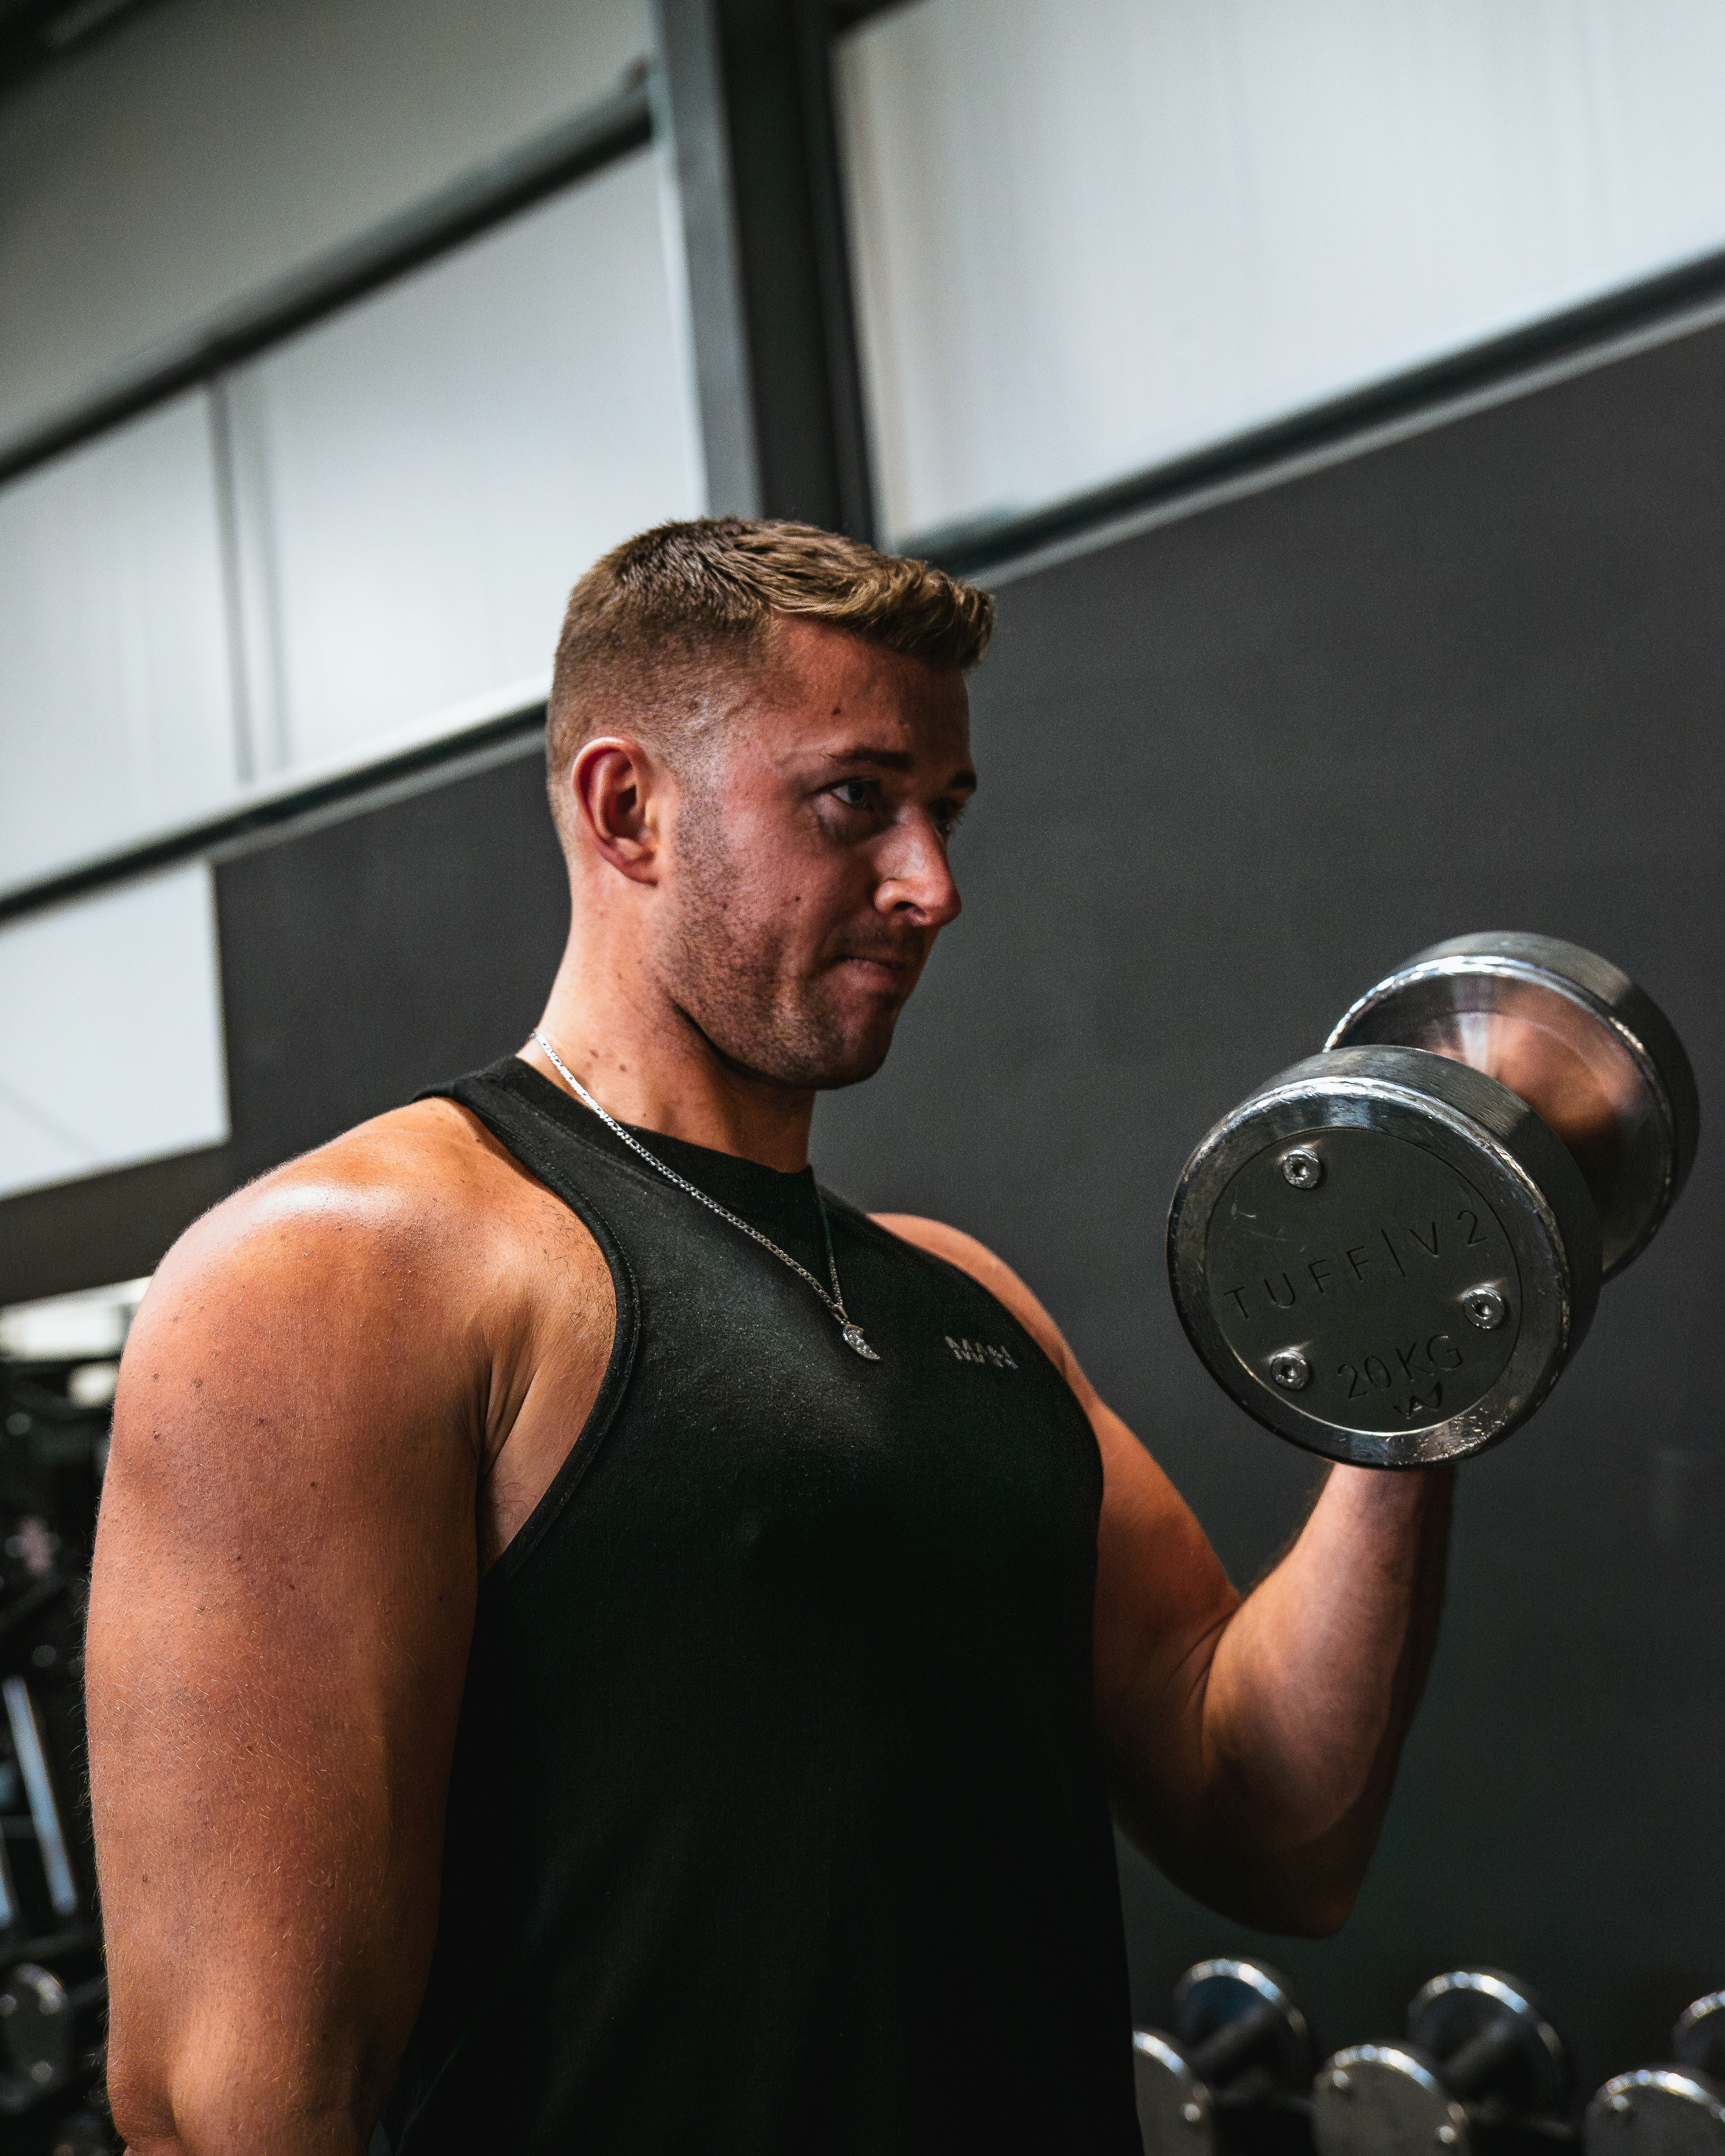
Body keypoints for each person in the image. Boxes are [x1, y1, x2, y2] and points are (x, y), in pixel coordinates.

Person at [88, 519, 1452, 2156]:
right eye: (853, 800)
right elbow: (227, 2106)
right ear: (627, 808)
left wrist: (1423, 1386)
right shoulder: (350, 1273)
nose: (933, 886)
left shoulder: (965, 1301)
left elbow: (1274, 1824)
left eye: (943, 812)